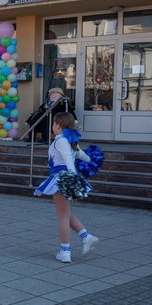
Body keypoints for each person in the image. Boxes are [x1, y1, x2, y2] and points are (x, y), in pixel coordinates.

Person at [34, 112, 99, 263]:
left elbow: (69, 159)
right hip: (64, 178)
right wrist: (90, 160)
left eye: (54, 123)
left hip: (62, 179)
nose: (52, 126)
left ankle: (65, 251)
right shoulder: (69, 140)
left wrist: (72, 177)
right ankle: (86, 237)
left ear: (58, 125)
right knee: (65, 212)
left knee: (62, 216)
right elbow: (83, 156)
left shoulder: (61, 140)